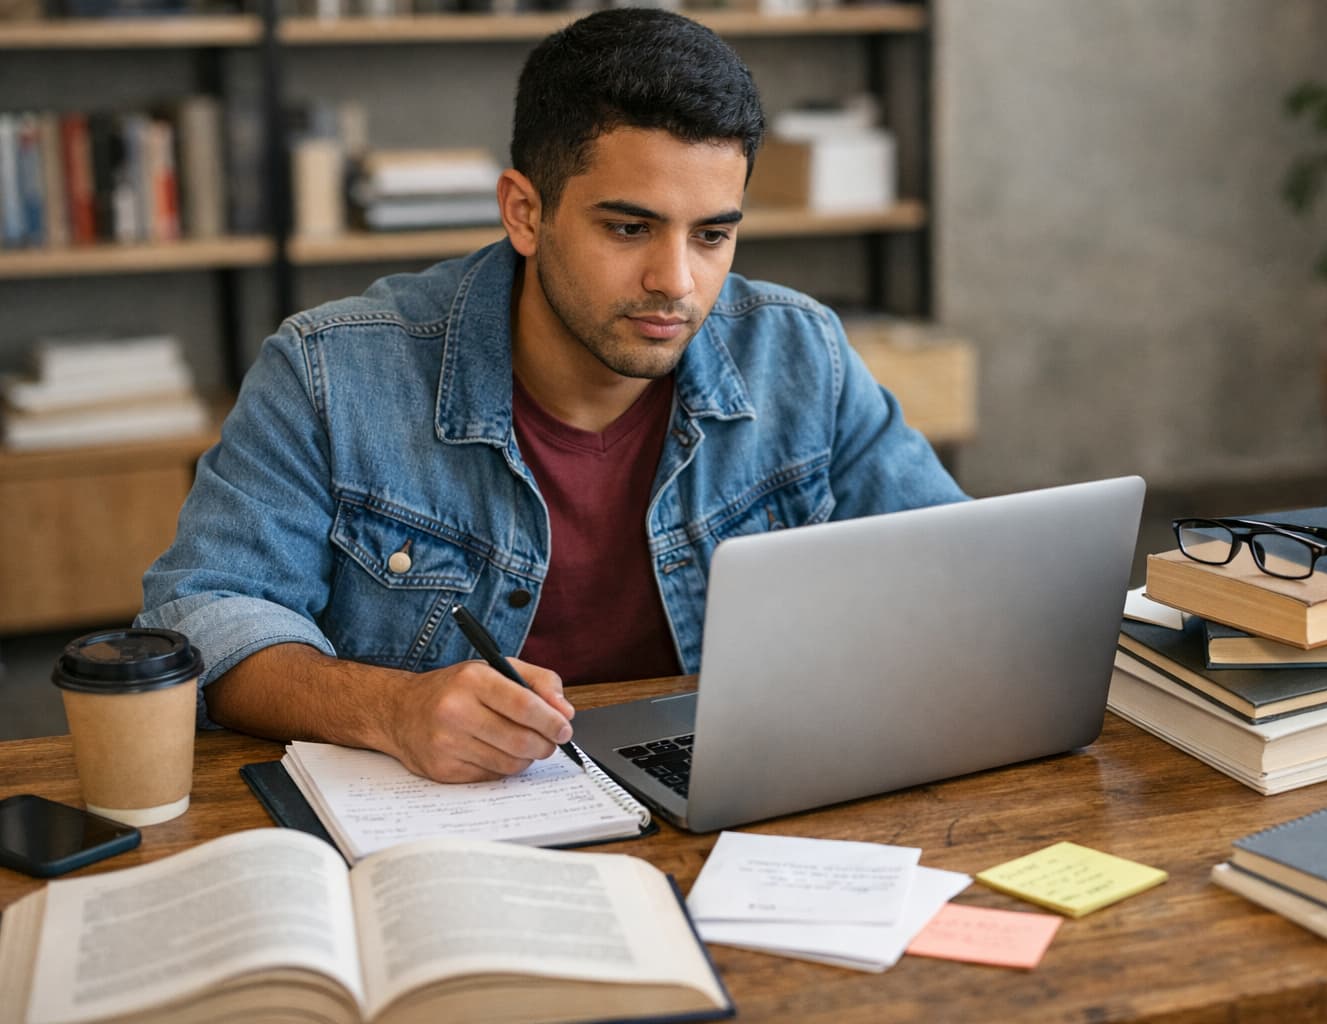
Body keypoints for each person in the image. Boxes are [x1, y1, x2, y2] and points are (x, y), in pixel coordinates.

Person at [137, 7, 966, 784]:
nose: (676, 282)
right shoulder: (329, 372)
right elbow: (204, 617)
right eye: (629, 228)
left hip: (732, 799)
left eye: (712, 235)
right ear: (524, 213)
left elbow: (954, 573)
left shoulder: (799, 352)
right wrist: (392, 708)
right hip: (457, 831)